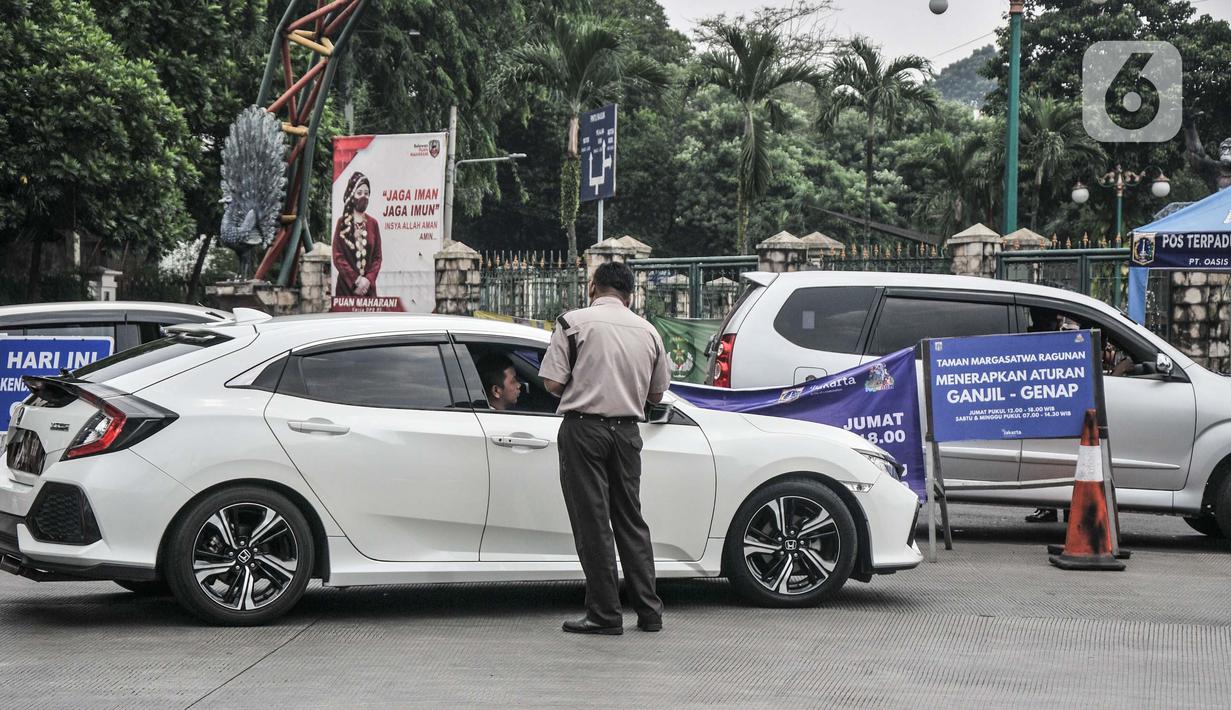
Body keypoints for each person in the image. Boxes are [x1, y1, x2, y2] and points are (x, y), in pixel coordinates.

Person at [539, 261, 672, 636]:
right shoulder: (649, 332)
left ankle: (604, 614)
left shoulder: (572, 323)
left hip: (584, 430)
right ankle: (650, 612)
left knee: (593, 522)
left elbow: (550, 382)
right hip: (628, 433)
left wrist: (585, 385)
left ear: (593, 287)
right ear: (629, 294)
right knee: (631, 519)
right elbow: (657, 394)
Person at [332, 172, 382, 297]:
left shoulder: (373, 224)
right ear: (352, 195)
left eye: (366, 193)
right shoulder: (342, 223)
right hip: (346, 289)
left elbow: (377, 257)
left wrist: (367, 280)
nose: (363, 197)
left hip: (368, 290)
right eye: (359, 193)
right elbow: (338, 256)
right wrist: (356, 280)